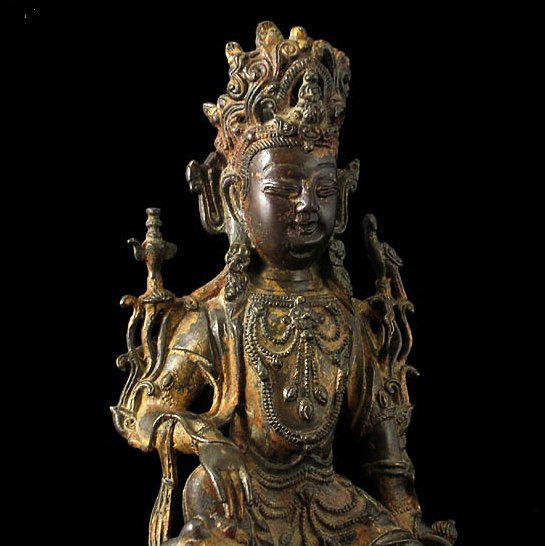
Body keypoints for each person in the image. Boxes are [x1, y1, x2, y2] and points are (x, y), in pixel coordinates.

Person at [111, 21, 457, 546]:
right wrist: (205, 440)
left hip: (330, 501)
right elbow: (145, 412)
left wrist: (409, 520)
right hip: (241, 499)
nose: (306, 206)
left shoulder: (346, 317)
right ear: (236, 197)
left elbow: (383, 446)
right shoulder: (220, 318)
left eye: (323, 190)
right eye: (283, 188)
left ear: (342, 200)